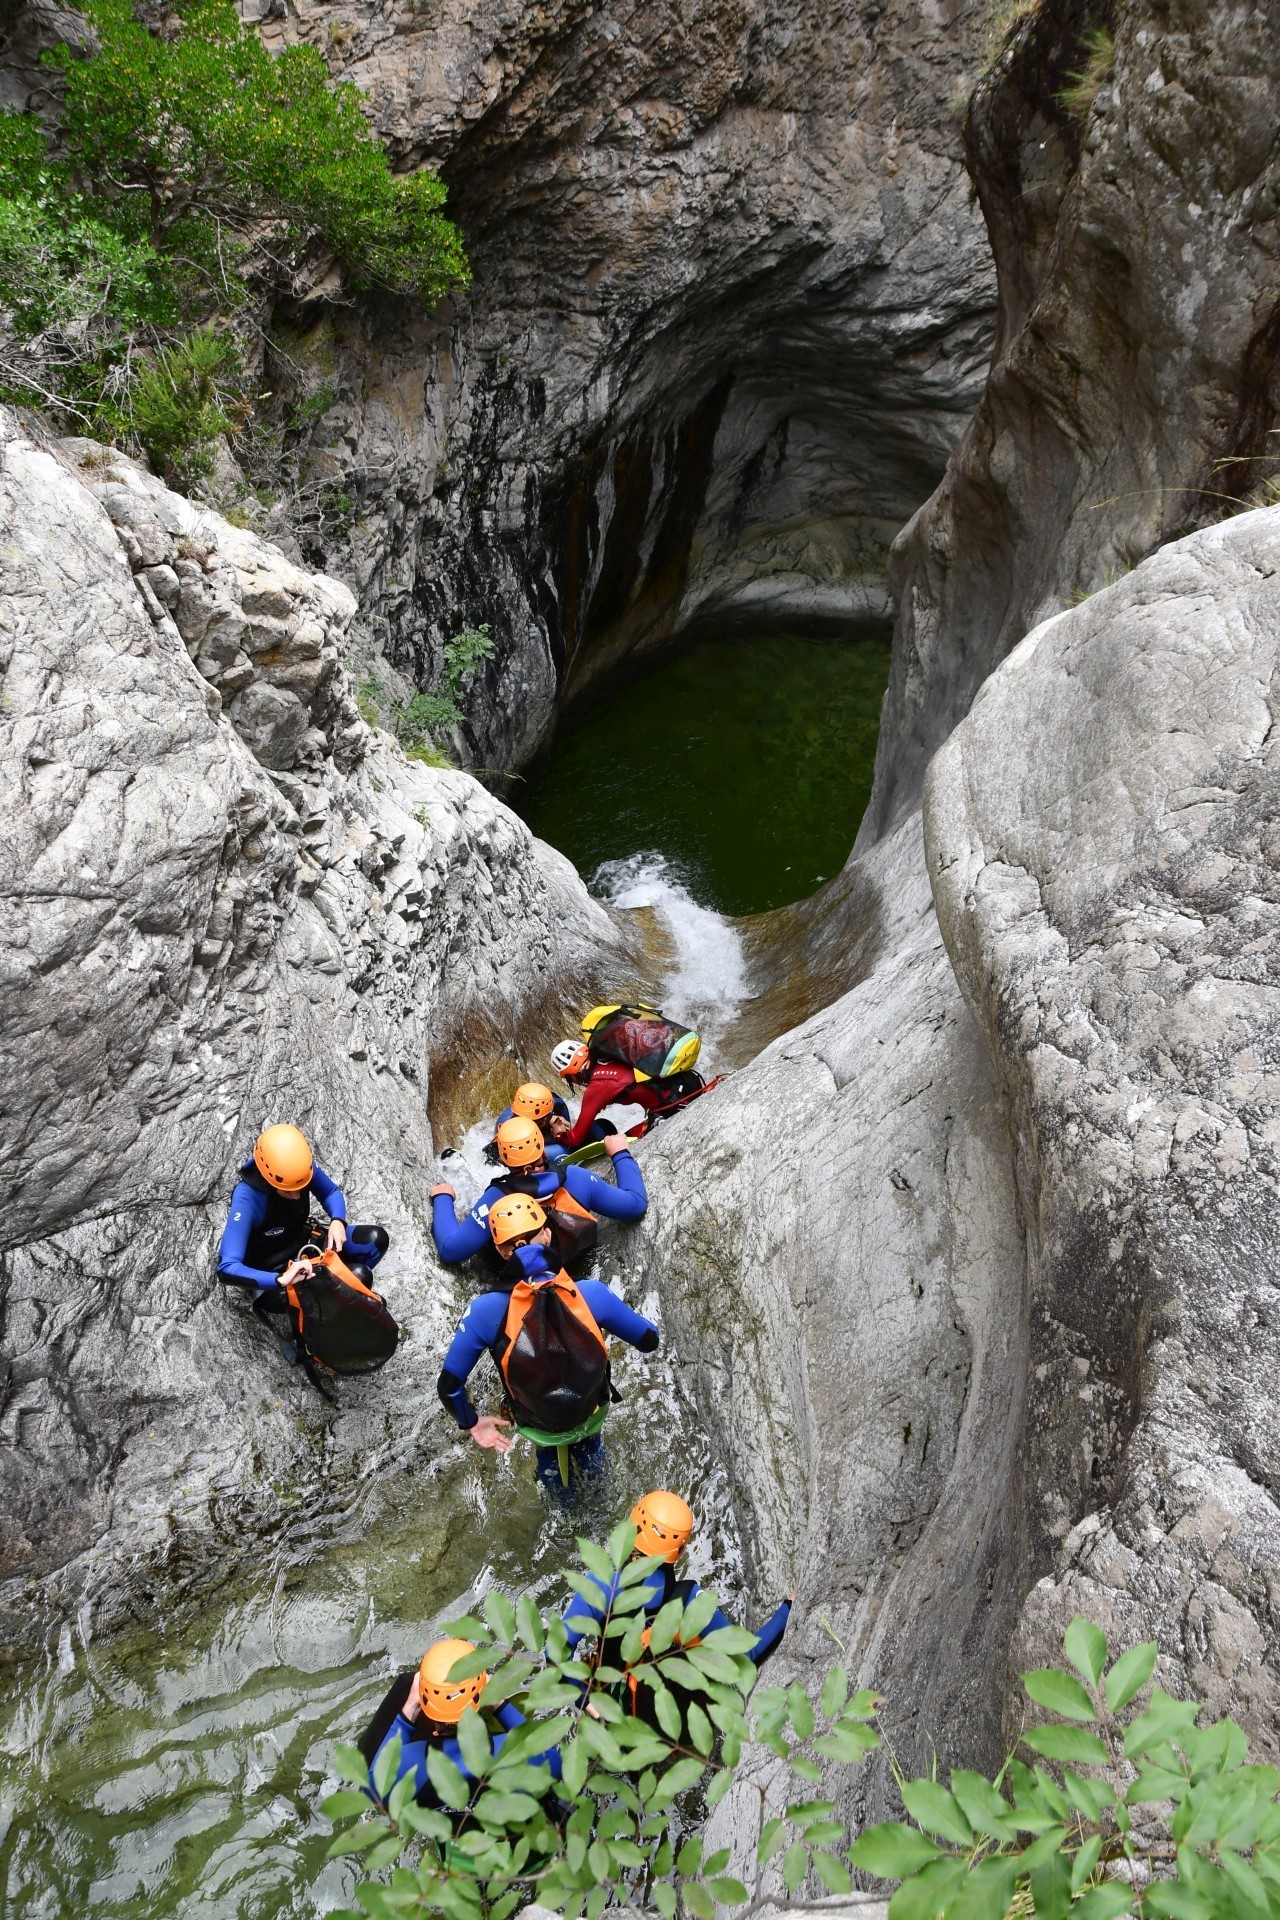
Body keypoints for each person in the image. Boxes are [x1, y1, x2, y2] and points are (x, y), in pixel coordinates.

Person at [436, 1204, 659, 1498]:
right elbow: (648, 1340)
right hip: (589, 1411)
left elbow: (449, 1387)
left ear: (502, 1251)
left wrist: (473, 1424)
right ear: (548, 1234)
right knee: (592, 1454)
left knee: (552, 1467)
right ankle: (600, 1495)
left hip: (537, 1420)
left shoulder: (484, 1311)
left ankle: (562, 1512)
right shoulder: (591, 1293)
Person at [564, 1490, 791, 1667]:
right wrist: (789, 1606)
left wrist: (584, 1699)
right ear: (680, 1550)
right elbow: (748, 1656)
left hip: (607, 1697)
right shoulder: (690, 1598)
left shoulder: (599, 1584)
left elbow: (557, 1652)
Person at [360, 1637, 561, 1808]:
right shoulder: (513, 1751)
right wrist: (499, 1704)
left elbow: (372, 1789)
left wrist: (408, 1712)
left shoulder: (410, 1763)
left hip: (457, 1847)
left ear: (424, 1702)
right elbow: (557, 1764)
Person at [429, 1115, 646, 1268]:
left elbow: (450, 1251)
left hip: (522, 1285)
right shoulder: (577, 1178)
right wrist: (620, 1154)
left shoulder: (496, 1199)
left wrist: (443, 1196)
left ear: (504, 1159)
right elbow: (635, 1204)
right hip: (578, 1268)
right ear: (542, 1147)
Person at [217, 1124, 389, 1304]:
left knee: (376, 1240)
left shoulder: (298, 1169)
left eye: (301, 1188)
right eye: (289, 1191)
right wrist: (280, 1279)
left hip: (306, 1244)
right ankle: (337, 1301)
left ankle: (343, 1289)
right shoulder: (247, 1200)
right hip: (274, 1271)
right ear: (270, 1181)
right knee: (359, 1276)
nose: (298, 1195)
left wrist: (338, 1221)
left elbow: (330, 1192)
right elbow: (227, 1268)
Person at [548, 1039, 704, 1152]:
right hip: (689, 1080)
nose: (573, 1083)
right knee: (625, 1133)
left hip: (675, 1104)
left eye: (569, 1079)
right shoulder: (607, 1052)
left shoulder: (597, 1088)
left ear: (572, 1074)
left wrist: (559, 1133)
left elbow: (575, 1138)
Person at [482, 1081, 609, 1164]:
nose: (544, 1121)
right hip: (528, 1152)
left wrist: (566, 1132)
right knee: (558, 1152)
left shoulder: (557, 1106)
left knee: (599, 1128)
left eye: (546, 1117)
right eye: (539, 1120)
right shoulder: (506, 1125)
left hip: (550, 1140)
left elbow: (576, 1136)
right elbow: (496, 1158)